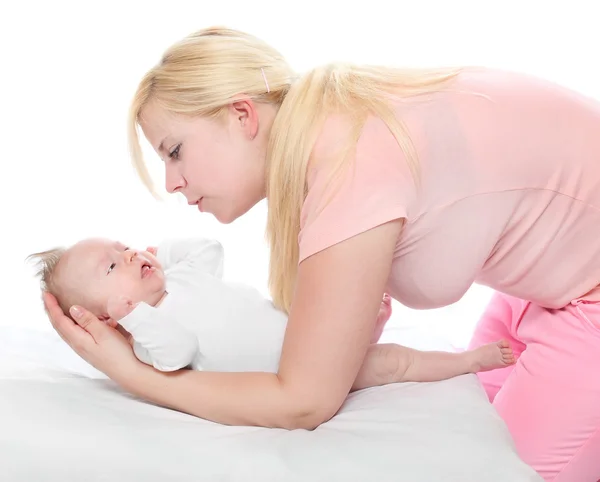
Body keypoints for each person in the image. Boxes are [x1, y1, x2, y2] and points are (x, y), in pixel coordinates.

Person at [42, 26, 600, 481]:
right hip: (542, 289)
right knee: (469, 431)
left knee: (505, 469)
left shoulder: (346, 160)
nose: (171, 181)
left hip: (587, 296)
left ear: (242, 115)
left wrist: (129, 374)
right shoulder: (335, 130)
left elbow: (304, 400)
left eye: (175, 151)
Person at [30, 236, 514, 388]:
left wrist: (162, 252)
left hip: (305, 330)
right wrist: (135, 317)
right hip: (299, 370)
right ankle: (470, 361)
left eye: (126, 245)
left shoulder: (177, 278)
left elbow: (210, 248)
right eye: (113, 263)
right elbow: (179, 354)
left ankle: (364, 323)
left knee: (312, 281)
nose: (132, 254)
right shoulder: (146, 334)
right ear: (108, 318)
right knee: (393, 363)